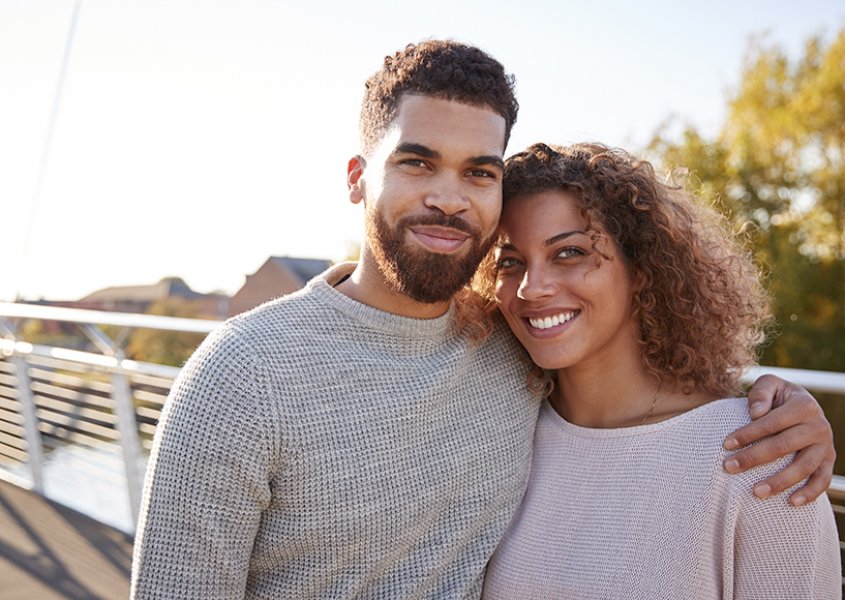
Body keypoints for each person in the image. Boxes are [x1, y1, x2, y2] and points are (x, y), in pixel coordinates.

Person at [131, 41, 836, 599]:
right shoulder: (243, 373)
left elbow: (645, 396)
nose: (448, 197)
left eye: (477, 171)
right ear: (356, 176)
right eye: (416, 162)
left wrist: (778, 399)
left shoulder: (511, 353)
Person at [480, 142, 841, 598]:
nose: (532, 288)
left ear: (642, 267)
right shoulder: (501, 433)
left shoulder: (761, 453)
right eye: (510, 262)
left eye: (569, 252)